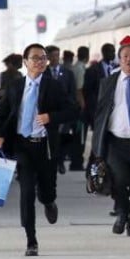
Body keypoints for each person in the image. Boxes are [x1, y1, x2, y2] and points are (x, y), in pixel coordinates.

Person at [0, 43, 78, 256]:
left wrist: (51, 118)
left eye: (43, 58)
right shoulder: (15, 87)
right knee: (27, 192)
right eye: (35, 58)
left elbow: (73, 109)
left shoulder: (53, 86)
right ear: (25, 62)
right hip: (22, 146)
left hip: (46, 148)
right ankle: (31, 239)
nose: (40, 62)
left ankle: (49, 202)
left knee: (46, 192)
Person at [92, 36, 130, 236]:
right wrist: (97, 146)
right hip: (116, 141)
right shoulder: (108, 82)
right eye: (125, 56)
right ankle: (121, 214)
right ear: (119, 59)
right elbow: (101, 113)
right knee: (119, 180)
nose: (129, 60)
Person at [46, 45, 77, 175]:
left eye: (57, 55)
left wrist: (71, 107)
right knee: (52, 138)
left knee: (63, 136)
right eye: (52, 56)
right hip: (49, 112)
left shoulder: (68, 73)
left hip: (64, 111)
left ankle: (60, 161)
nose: (55, 58)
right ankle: (54, 161)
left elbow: (72, 91)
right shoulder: (44, 72)